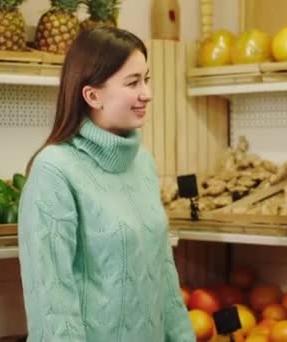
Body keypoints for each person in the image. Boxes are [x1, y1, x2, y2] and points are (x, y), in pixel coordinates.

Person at [18, 27, 195, 341]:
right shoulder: (54, 170)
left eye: (146, 79)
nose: (147, 93)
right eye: (132, 82)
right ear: (92, 95)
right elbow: (52, 300)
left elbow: (163, 274)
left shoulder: (143, 163)